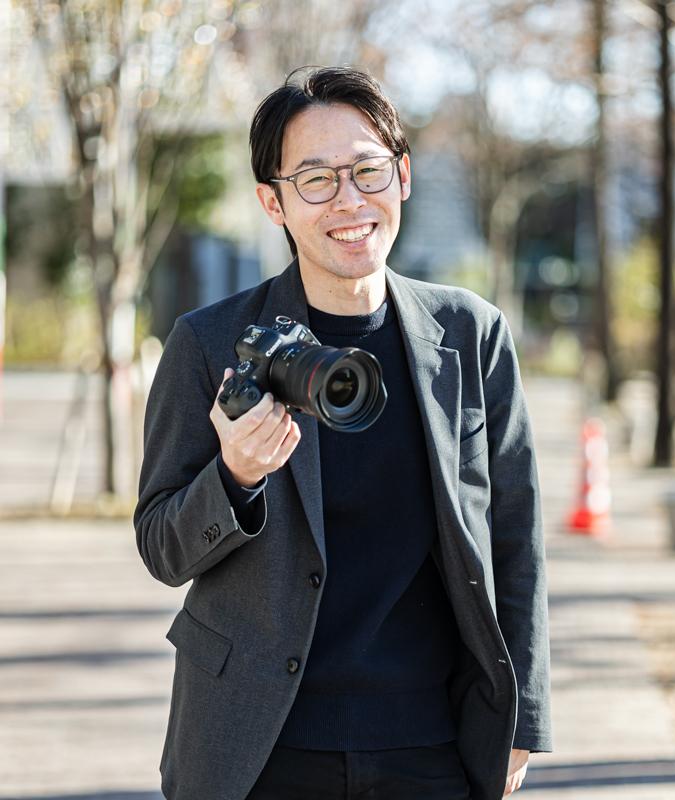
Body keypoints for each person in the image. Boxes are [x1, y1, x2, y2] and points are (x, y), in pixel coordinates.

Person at [134, 66, 551, 800]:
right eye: (317, 180)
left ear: (404, 176)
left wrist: (525, 717)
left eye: (367, 170)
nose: (350, 199)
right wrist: (234, 479)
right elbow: (162, 545)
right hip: (256, 746)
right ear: (274, 201)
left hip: (433, 743)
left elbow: (515, 539)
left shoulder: (472, 333)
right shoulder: (209, 342)